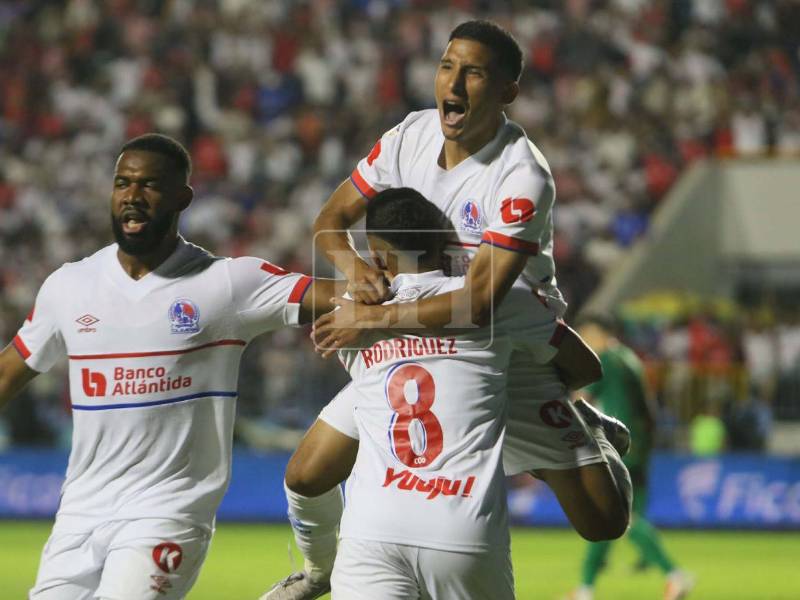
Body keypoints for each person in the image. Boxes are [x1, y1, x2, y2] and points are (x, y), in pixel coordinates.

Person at [262, 20, 631, 600]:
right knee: (306, 474)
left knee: (602, 522)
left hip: (506, 345)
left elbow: (479, 302)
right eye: (446, 66)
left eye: (474, 73)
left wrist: (369, 318)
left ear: (507, 91)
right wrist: (357, 270)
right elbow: (330, 221)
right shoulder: (408, 136)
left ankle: (588, 427)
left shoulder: (521, 172)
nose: (453, 84)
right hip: (417, 341)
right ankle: (320, 572)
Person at [0, 133, 338, 600]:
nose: (132, 196)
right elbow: (7, 373)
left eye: (150, 185)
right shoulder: (69, 286)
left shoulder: (227, 284)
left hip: (168, 512)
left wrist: (406, 295)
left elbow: (339, 296)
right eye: (123, 183)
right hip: (79, 515)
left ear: (183, 198)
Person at [330, 187, 613, 599]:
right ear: (447, 241)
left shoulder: (349, 319)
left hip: (371, 526)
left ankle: (312, 561)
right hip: (460, 525)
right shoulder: (504, 303)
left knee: (304, 476)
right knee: (606, 521)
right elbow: (588, 367)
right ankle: (597, 437)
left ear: (376, 256)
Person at [566, 316, 695, 600]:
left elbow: (580, 400)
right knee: (608, 516)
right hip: (637, 444)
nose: (584, 342)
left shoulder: (606, 360)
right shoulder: (629, 359)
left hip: (617, 445)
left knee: (620, 517)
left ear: (599, 334)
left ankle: (674, 575)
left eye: (586, 335)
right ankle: (585, 590)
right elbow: (647, 407)